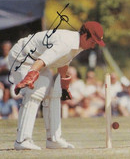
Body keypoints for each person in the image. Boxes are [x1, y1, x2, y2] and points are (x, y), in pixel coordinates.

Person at [8, 21, 105, 150]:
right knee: (36, 91)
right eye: (93, 41)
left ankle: (54, 139)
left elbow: (63, 63)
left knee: (55, 91)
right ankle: (22, 140)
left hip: (35, 59)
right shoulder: (66, 43)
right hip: (22, 57)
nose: (93, 46)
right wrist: (30, 76)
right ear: (84, 35)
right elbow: (41, 61)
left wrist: (64, 85)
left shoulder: (78, 44)